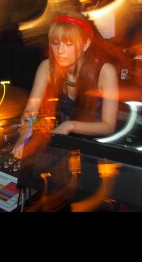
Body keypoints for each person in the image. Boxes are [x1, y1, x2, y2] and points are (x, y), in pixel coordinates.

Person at [12, 10, 121, 159]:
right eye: (55, 43)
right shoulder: (47, 67)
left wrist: (70, 125)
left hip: (96, 148)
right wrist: (25, 131)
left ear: (85, 44)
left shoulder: (105, 72)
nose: (60, 51)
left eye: (69, 44)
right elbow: (31, 111)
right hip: (61, 144)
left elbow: (108, 126)